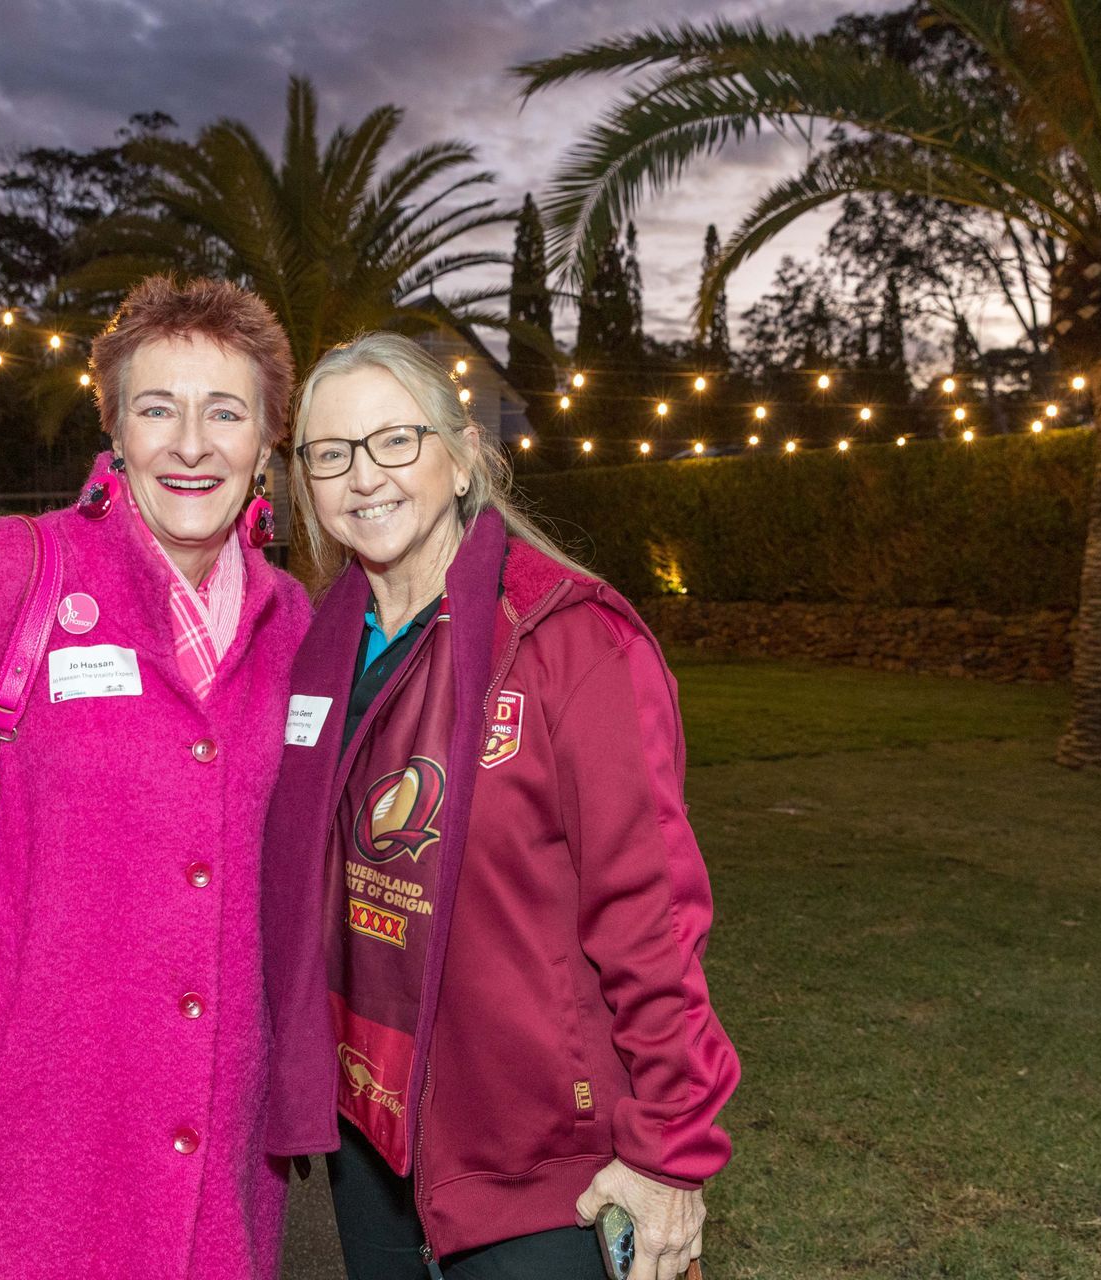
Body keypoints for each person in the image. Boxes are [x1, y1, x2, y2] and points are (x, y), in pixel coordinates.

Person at [0, 276, 310, 1280]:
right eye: (157, 407)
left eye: (225, 412)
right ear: (115, 428)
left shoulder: (294, 620)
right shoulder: (10, 571)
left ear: (267, 442)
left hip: (217, 1140)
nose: (190, 443)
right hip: (18, 1127)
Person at [262, 334, 740, 1280]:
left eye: (396, 440)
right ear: (304, 482)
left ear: (463, 454)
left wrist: (668, 1154)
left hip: (544, 1166)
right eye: (331, 454)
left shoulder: (567, 642)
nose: (365, 477)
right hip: (374, 1140)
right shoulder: (318, 650)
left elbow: (652, 918)